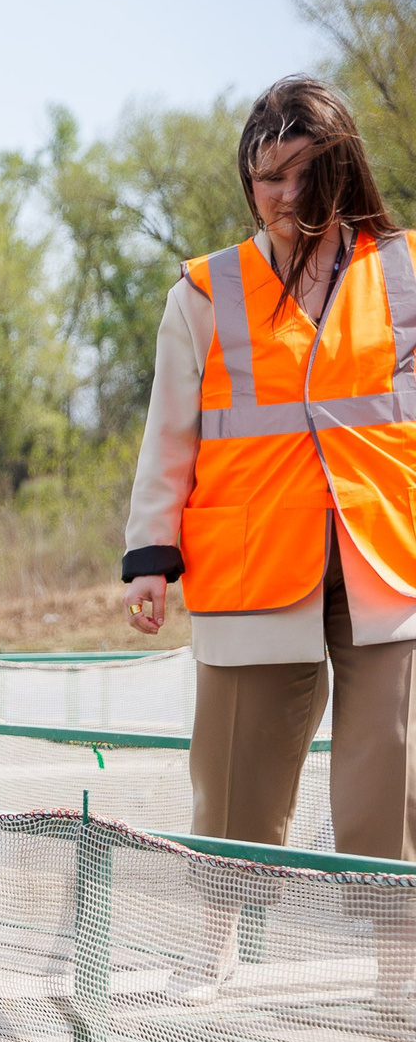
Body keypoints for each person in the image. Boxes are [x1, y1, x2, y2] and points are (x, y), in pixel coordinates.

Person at [122, 75, 416, 862]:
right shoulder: (204, 292)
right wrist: (151, 556)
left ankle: (396, 964)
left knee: (393, 767)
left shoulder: (404, 272)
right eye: (269, 178)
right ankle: (214, 949)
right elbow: (169, 436)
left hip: (386, 552)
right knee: (234, 775)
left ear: (344, 168)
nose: (287, 195)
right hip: (251, 555)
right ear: (248, 182)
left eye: (306, 172)